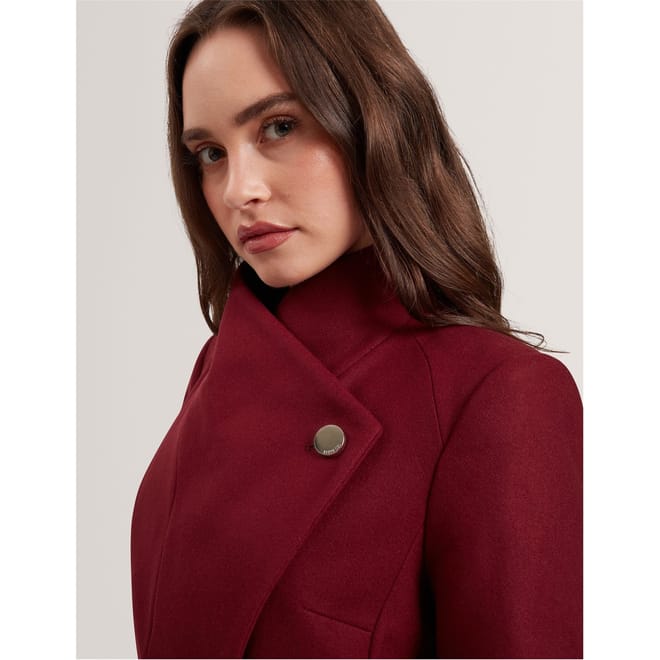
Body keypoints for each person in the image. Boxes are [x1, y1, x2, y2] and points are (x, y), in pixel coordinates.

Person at [130, 1, 582, 658]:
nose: (237, 190)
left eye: (279, 127)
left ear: (375, 119)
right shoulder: (221, 368)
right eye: (210, 153)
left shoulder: (497, 393)